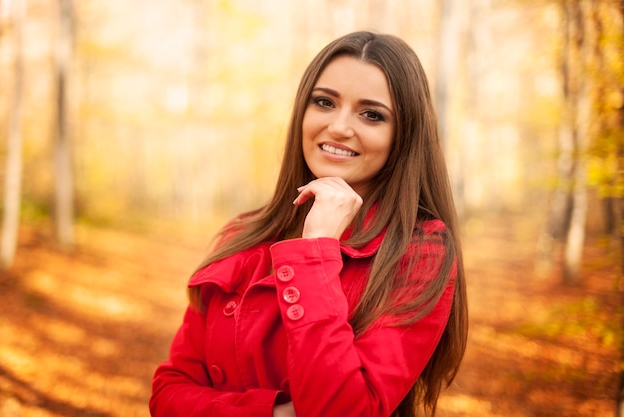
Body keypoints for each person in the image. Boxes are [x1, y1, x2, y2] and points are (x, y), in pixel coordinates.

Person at [149, 31, 468, 417]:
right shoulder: (244, 233)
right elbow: (167, 394)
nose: (338, 126)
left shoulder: (420, 251)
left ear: (403, 135)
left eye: (371, 114)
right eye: (324, 102)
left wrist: (315, 251)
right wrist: (275, 414)